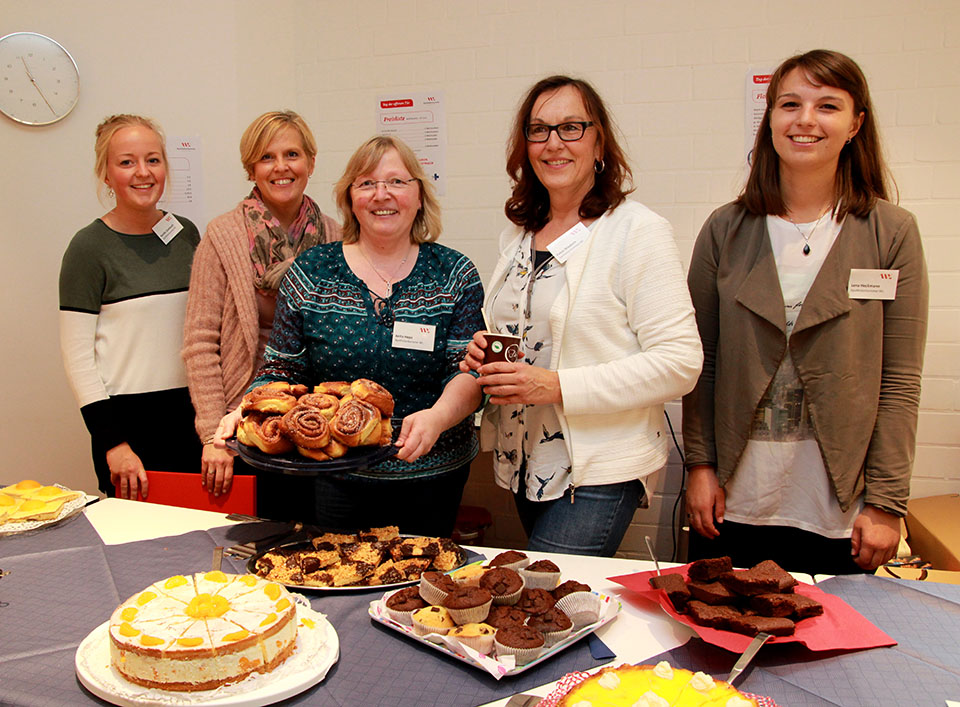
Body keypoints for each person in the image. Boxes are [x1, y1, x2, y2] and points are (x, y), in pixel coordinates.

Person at [682, 50, 928, 575]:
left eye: (828, 106)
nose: (806, 120)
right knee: (717, 643)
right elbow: (700, 363)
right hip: (733, 500)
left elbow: (900, 380)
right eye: (790, 104)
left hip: (838, 508)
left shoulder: (892, 232)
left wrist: (886, 502)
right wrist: (699, 467)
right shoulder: (725, 229)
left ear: (856, 123)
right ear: (769, 117)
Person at [459, 75, 703, 556]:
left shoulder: (637, 232)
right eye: (539, 129)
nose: (553, 143)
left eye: (571, 127)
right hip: (525, 460)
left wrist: (555, 386)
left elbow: (681, 363)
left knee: (549, 607)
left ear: (599, 142)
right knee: (549, 605)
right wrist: (486, 348)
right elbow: (533, 331)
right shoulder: (520, 233)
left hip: (599, 468)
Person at [215, 135, 484, 536]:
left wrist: (438, 417)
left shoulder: (453, 273)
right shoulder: (312, 272)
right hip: (335, 477)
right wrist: (249, 409)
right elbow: (281, 369)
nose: (382, 195)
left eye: (396, 182)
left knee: (421, 587)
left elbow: (470, 372)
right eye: (367, 183)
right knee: (339, 581)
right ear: (350, 198)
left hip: (432, 474)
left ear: (419, 195)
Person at [182, 111, 340, 519]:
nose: (281, 167)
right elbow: (200, 343)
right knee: (263, 542)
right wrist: (212, 435)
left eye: (292, 154)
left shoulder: (339, 236)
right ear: (251, 167)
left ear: (311, 162)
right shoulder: (223, 235)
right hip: (248, 423)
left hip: (323, 421)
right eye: (267, 157)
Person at [59, 114, 201, 500]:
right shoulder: (87, 248)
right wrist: (112, 442)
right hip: (128, 429)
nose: (143, 172)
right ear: (106, 175)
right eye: (126, 162)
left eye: (153, 160)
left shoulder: (186, 233)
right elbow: (78, 358)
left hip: (193, 420)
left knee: (203, 544)